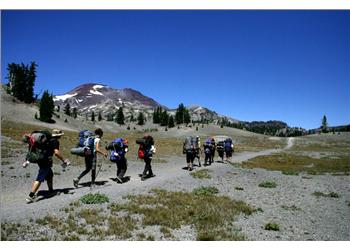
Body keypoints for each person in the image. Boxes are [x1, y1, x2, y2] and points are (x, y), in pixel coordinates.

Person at [25, 129, 70, 204]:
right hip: (45, 160)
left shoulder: (46, 140)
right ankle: (30, 196)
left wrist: (27, 160)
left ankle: (51, 190)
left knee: (50, 174)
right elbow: (56, 153)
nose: (61, 136)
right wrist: (64, 160)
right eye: (60, 135)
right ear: (58, 136)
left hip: (40, 158)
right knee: (40, 178)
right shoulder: (55, 141)